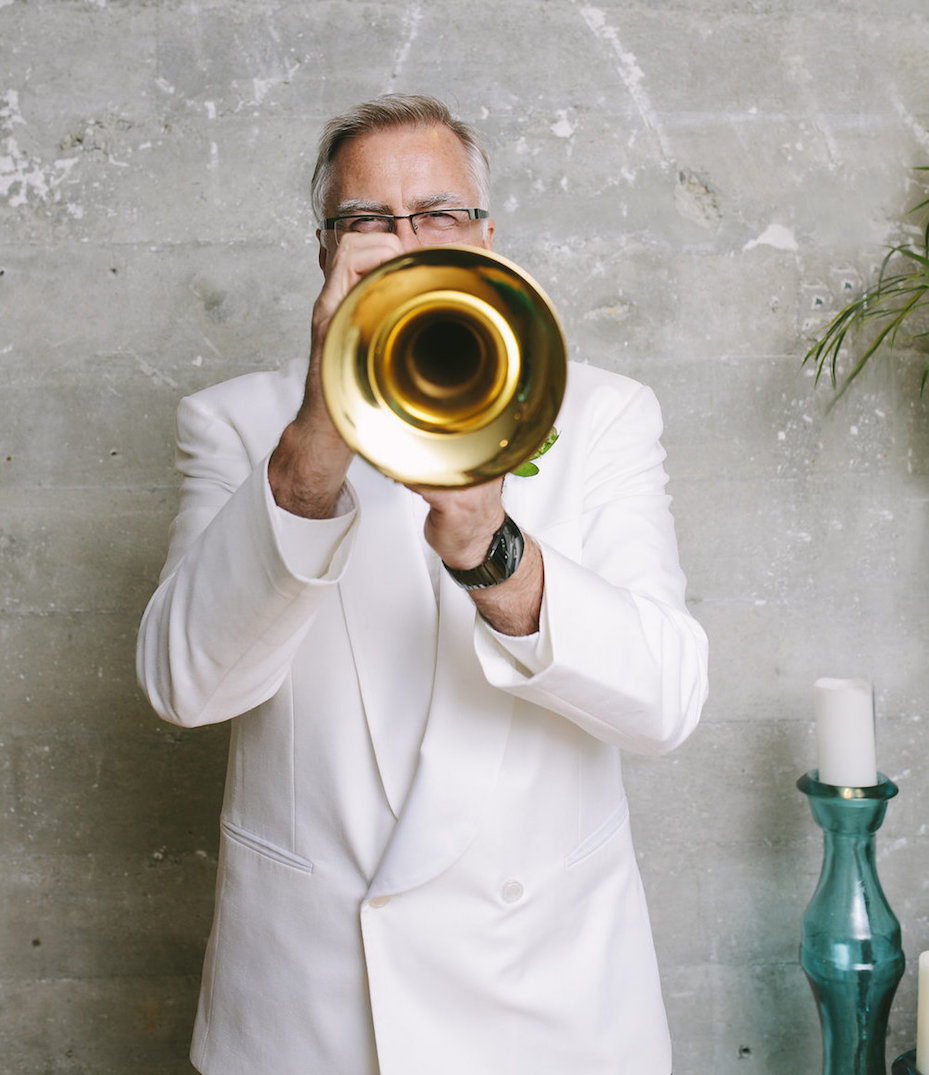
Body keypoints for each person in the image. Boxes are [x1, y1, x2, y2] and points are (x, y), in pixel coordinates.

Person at [136, 93, 708, 1075]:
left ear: (486, 235)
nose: (404, 243)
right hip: (310, 1020)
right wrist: (312, 448)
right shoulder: (235, 424)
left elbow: (665, 702)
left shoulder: (601, 413)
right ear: (325, 250)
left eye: (438, 213)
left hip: (552, 1012)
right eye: (366, 219)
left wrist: (491, 546)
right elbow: (185, 686)